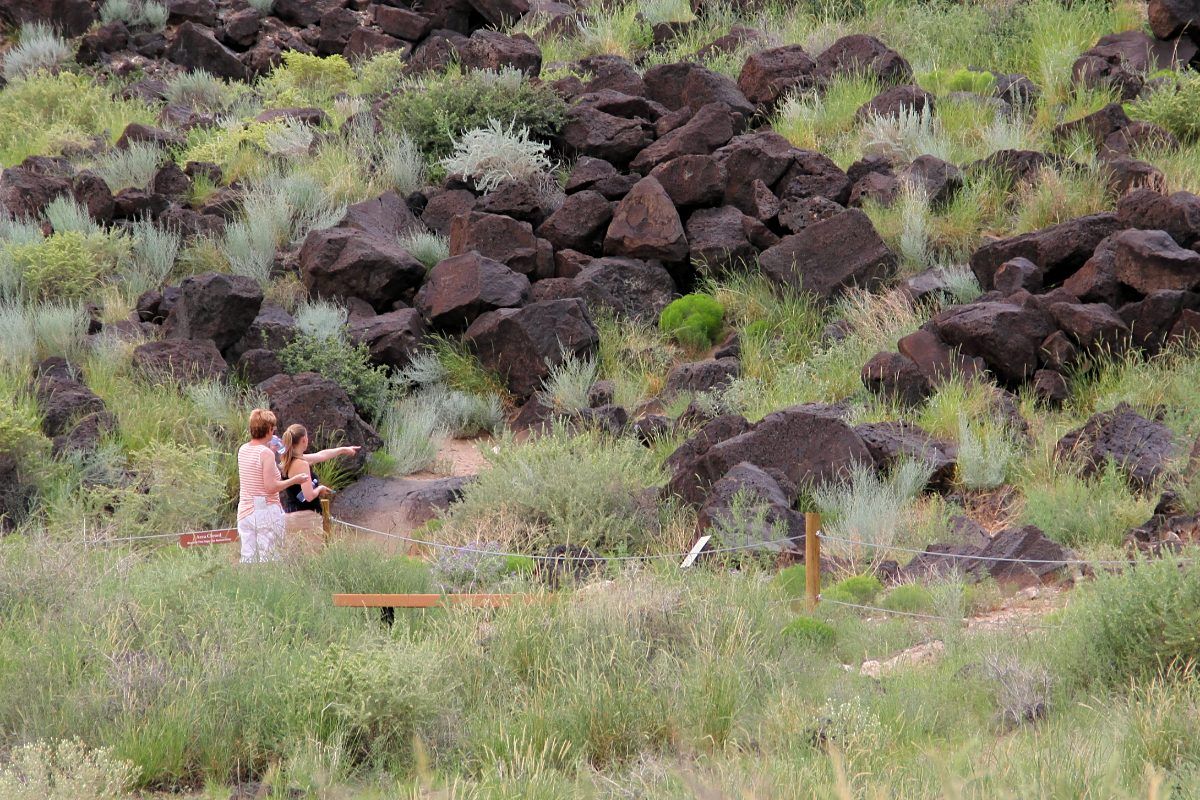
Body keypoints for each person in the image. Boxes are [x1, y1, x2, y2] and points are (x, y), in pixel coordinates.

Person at [237, 409, 309, 563]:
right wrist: (294, 480)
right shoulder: (266, 454)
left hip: (245, 511)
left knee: (248, 558)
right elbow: (270, 487)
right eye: (273, 428)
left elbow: (256, 473)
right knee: (269, 559)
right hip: (265, 511)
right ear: (269, 429)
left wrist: (270, 450)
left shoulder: (243, 449)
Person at [278, 424, 360, 514]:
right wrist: (320, 489)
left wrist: (343, 450)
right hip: (305, 514)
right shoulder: (302, 464)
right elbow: (309, 496)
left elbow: (321, 455)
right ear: (304, 440)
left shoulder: (290, 460)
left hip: (293, 511)